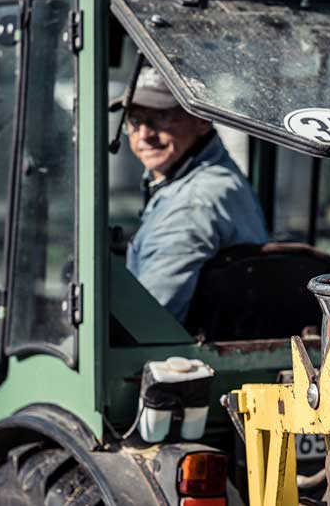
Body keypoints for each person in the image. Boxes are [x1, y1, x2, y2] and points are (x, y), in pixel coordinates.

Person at [113, 67, 269, 321]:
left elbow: (147, 322)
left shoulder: (190, 207)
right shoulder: (220, 178)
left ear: (202, 120)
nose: (144, 135)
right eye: (135, 120)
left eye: (161, 116)